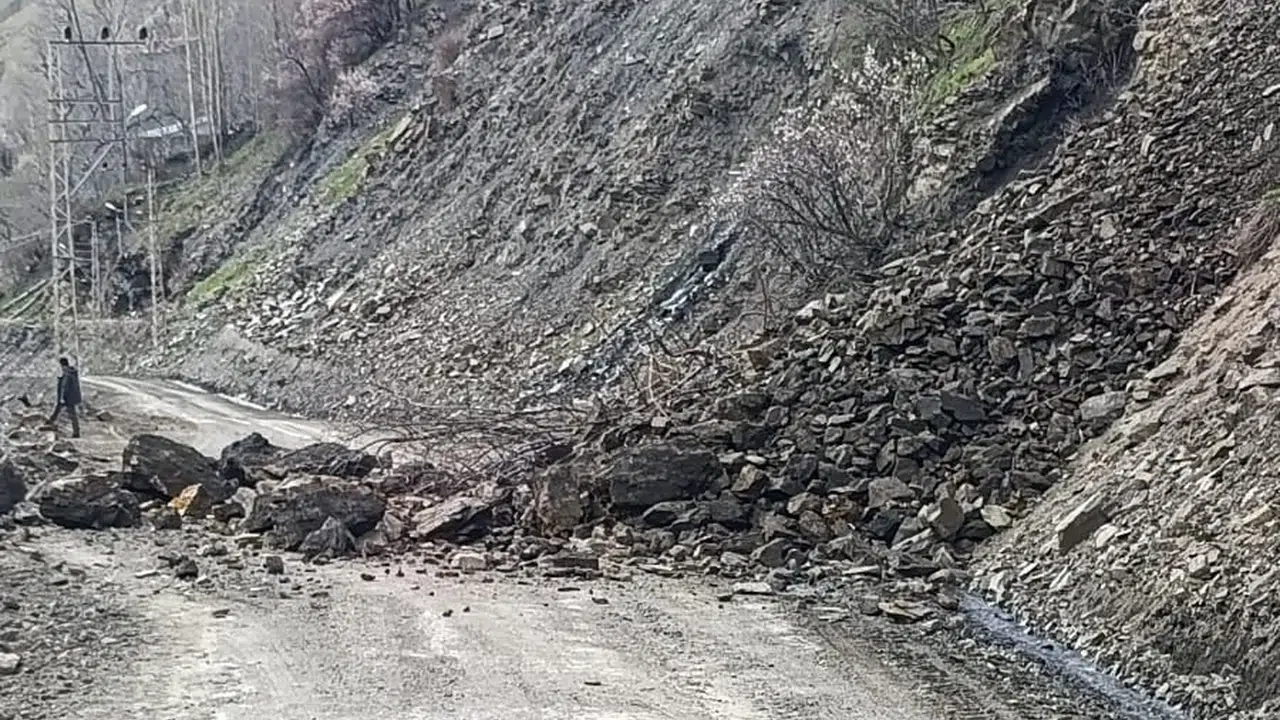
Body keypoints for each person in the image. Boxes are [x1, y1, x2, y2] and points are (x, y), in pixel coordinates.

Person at [49, 357, 82, 438]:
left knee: (71, 414)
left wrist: (62, 397)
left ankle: (76, 432)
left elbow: (65, 386)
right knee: (58, 411)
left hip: (67, 398)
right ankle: (49, 423)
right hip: (71, 397)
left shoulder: (67, 373)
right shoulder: (72, 372)